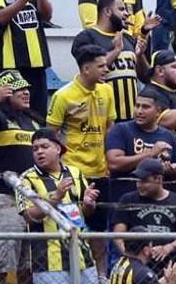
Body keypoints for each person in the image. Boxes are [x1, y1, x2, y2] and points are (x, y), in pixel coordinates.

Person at [0, 69, 39, 284]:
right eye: (19, 89)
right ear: (6, 93)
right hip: (3, 199)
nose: (26, 93)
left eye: (27, 89)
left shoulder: (32, 120)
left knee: (29, 265)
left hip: (32, 200)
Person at [46, 47, 113, 242]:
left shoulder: (107, 91)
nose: (106, 70)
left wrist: (107, 163)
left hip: (100, 171)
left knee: (99, 229)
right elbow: (52, 135)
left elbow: (110, 128)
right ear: (85, 69)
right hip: (74, 171)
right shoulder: (63, 96)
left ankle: (100, 273)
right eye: (101, 66)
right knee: (74, 226)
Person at [18, 129, 100, 284]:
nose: (39, 152)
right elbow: (29, 217)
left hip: (82, 256)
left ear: (58, 148)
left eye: (44, 147)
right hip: (49, 262)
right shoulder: (26, 179)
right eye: (35, 149)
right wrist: (56, 196)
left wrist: (89, 204)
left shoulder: (76, 173)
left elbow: (84, 213)